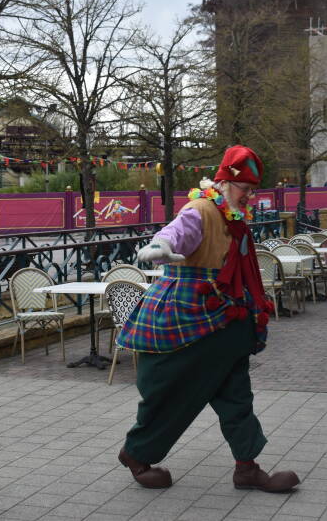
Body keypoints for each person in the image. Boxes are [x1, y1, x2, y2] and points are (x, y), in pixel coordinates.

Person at [115, 145, 299, 493]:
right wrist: (160, 247)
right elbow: (175, 232)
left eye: (253, 190)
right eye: (245, 189)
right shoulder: (200, 209)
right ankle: (136, 453)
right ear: (225, 183)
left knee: (236, 394)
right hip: (189, 315)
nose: (250, 196)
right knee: (168, 387)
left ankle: (247, 468)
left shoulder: (235, 216)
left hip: (227, 320)